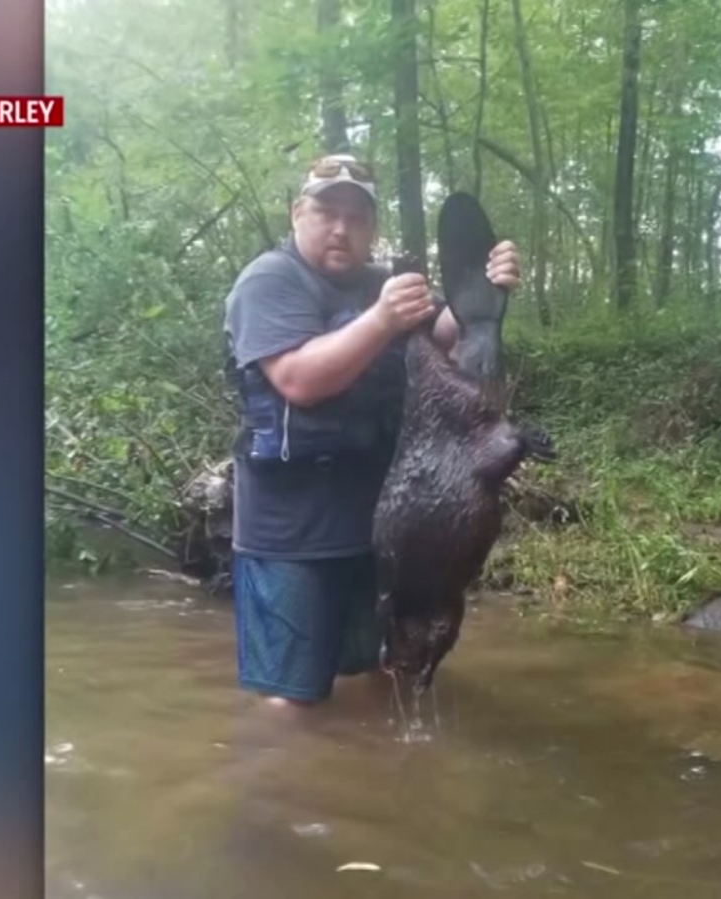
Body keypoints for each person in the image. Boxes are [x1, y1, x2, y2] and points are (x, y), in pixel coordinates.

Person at [222, 153, 521, 707]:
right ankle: (281, 787)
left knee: (369, 678)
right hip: (290, 533)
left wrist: (482, 294)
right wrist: (381, 320)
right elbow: (298, 379)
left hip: (380, 529)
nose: (341, 228)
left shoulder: (384, 283)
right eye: (326, 212)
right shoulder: (268, 281)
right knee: (288, 700)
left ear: (372, 227)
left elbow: (448, 338)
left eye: (357, 217)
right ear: (297, 214)